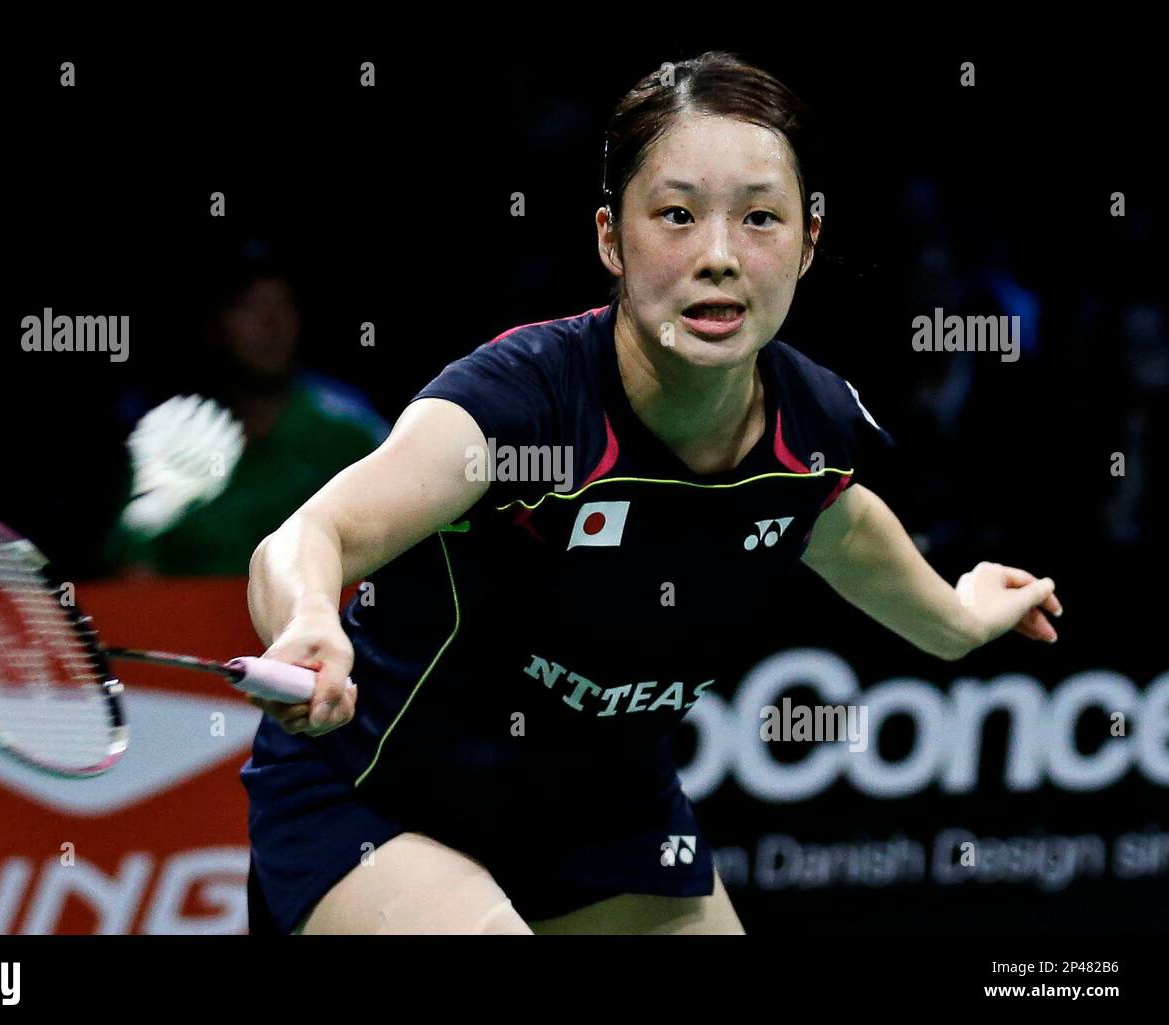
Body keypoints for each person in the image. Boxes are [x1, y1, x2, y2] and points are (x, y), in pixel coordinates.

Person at [239, 52, 1063, 935]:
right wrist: (309, 620)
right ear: (610, 238)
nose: (718, 256)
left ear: (809, 241)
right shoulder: (521, 405)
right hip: (385, 789)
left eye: (760, 219)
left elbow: (840, 527)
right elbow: (309, 535)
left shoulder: (815, 431)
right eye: (676, 215)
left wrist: (961, 615)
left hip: (601, 809)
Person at [109, 249, 388, 576]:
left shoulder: (353, 434)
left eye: (283, 305)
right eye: (249, 307)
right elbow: (135, 576)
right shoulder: (174, 433)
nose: (271, 324)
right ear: (214, 328)